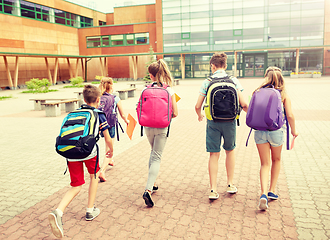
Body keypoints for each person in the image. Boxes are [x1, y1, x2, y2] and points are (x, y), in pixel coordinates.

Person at [48, 85, 113, 239]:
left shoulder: (72, 114)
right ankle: (90, 210)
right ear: (98, 100)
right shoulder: (98, 114)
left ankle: (58, 211)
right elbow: (108, 137)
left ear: (83, 99)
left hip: (71, 153)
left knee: (76, 185)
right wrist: (111, 150)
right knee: (94, 175)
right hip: (89, 152)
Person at [195, 52, 248, 200]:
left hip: (213, 122)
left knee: (214, 154)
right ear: (225, 66)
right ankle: (230, 184)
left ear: (212, 66)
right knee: (230, 151)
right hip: (230, 121)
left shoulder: (207, 82)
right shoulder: (234, 80)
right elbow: (243, 104)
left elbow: (197, 105)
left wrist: (199, 114)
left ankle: (213, 189)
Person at [254, 67, 298, 210]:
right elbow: (290, 115)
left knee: (264, 164)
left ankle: (263, 194)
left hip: (260, 132)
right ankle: (272, 190)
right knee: (276, 160)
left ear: (266, 77)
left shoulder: (257, 92)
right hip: (276, 131)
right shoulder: (284, 95)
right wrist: (294, 131)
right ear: (281, 79)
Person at [142, 59, 178, 207]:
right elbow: (175, 113)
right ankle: (148, 189)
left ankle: (154, 183)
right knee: (156, 156)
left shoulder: (146, 89)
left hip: (147, 126)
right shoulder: (168, 90)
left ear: (151, 75)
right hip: (162, 127)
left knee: (153, 153)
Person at [98, 77, 129, 182]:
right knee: (109, 149)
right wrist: (127, 121)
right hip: (110, 125)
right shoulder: (115, 98)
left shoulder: (98, 97)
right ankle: (102, 171)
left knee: (106, 144)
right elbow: (122, 113)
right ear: (111, 86)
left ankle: (110, 160)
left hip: (99, 126)